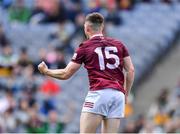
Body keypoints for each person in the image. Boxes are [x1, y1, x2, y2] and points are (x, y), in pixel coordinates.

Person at [38, 12, 135, 133]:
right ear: (102, 27)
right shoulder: (119, 44)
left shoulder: (85, 47)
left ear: (87, 28)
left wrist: (46, 71)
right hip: (118, 95)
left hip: (99, 92)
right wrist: (126, 94)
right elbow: (130, 70)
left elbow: (66, 73)